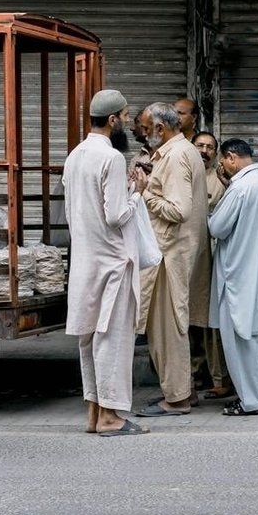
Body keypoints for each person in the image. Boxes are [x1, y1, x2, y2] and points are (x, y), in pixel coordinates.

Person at [63, 89, 149, 438]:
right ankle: (111, 418)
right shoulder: (111, 158)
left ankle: (94, 412)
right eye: (126, 117)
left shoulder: (75, 155)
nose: (127, 123)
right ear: (112, 120)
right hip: (112, 262)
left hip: (85, 260)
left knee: (89, 340)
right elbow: (115, 215)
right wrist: (138, 191)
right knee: (112, 339)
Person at [135, 102, 208, 418]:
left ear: (160, 129)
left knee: (168, 328)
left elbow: (179, 210)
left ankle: (176, 399)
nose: (142, 133)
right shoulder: (176, 152)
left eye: (145, 128)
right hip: (171, 252)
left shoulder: (177, 156)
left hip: (169, 253)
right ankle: (183, 392)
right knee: (171, 326)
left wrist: (144, 193)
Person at [207, 139, 258, 416]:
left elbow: (217, 227)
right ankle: (255, 396)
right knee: (256, 340)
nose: (222, 166)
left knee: (241, 341)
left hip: (238, 275)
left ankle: (251, 402)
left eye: (223, 161)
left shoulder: (241, 187)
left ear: (232, 157)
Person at [189, 131, 232, 400]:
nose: (204, 150)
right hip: (188, 258)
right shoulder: (185, 174)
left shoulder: (220, 180)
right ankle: (194, 374)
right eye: (200, 145)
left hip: (213, 259)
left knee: (211, 324)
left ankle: (220, 378)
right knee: (190, 321)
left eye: (209, 147)